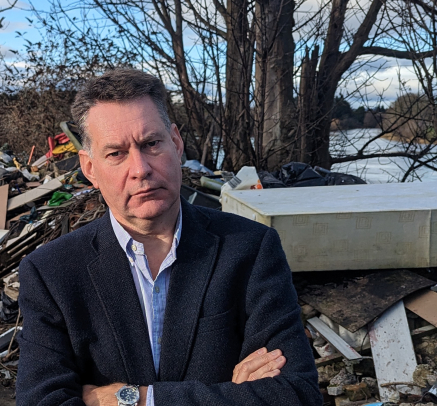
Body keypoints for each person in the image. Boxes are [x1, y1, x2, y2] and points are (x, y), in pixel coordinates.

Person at [16, 68, 321, 406]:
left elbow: (295, 395)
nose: (141, 168)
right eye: (116, 153)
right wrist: (231, 395)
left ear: (176, 144)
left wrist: (135, 399)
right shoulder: (51, 273)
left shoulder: (250, 250)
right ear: (90, 169)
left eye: (151, 144)